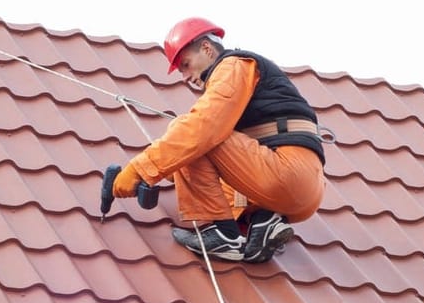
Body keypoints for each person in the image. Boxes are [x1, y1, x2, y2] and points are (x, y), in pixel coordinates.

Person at [107, 17, 327, 263]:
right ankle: (263, 222)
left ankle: (223, 234)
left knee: (189, 131)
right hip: (303, 190)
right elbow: (214, 160)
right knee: (190, 145)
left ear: (207, 49)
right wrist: (162, 174)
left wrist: (140, 170)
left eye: (186, 65)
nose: (185, 76)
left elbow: (202, 130)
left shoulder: (233, 65)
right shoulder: (246, 80)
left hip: (284, 173)